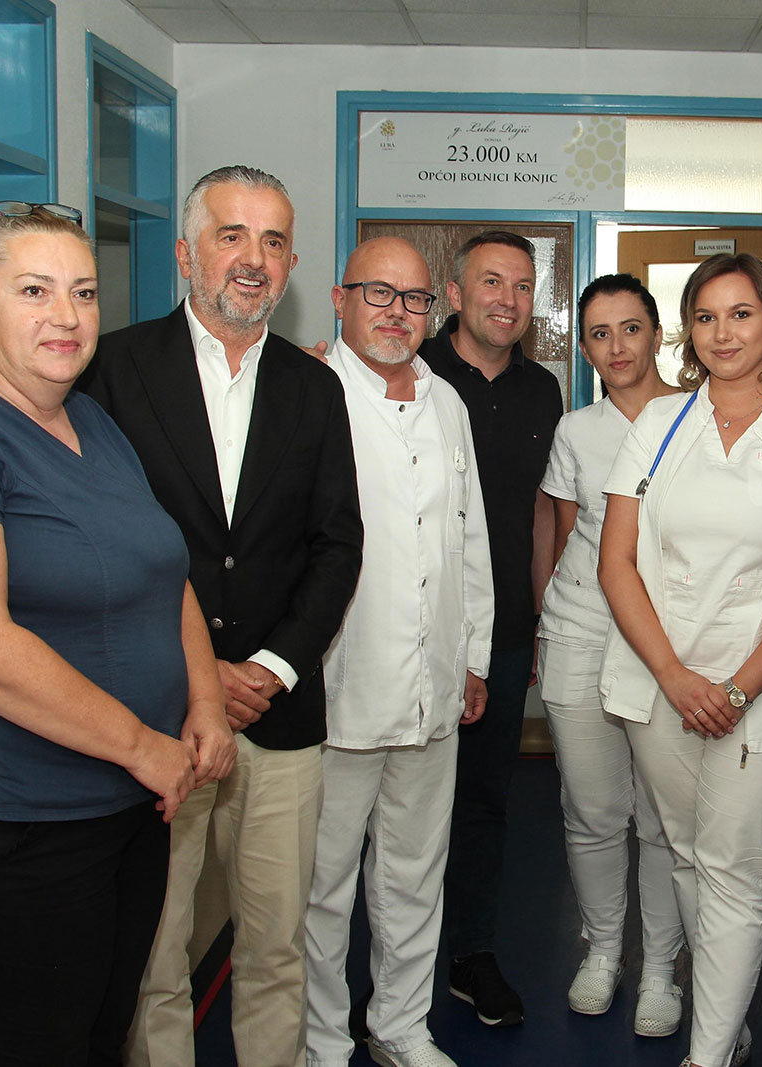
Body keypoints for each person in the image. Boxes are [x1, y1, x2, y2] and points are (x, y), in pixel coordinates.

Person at [0, 201, 235, 1064]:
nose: (65, 315)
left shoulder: (91, 423)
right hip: (19, 828)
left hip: (128, 812)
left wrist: (206, 702)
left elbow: (164, 571)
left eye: (83, 291)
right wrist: (143, 746)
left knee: (103, 1040)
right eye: (33, 290)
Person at [81, 165, 363, 1067]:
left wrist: (272, 667)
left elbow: (337, 546)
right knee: (155, 950)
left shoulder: (315, 387)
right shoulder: (110, 371)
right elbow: (102, 547)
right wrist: (202, 671)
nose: (253, 257)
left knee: (275, 945)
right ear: (184, 253)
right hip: (156, 710)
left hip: (280, 714)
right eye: (231, 235)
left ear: (291, 266)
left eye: (273, 240)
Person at [599, 253, 762, 1067]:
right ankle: (724, 1033)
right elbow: (616, 562)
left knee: (733, 866)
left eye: (741, 313)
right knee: (689, 854)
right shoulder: (658, 424)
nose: (723, 333)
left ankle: (705, 1055)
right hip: (661, 682)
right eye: (705, 316)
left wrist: (735, 689)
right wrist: (675, 677)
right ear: (688, 331)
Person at [303, 236, 494, 1067]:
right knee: (322, 883)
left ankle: (400, 1024)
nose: (397, 312)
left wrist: (474, 654)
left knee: (415, 871)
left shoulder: (447, 402)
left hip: (434, 683)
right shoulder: (308, 392)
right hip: (337, 688)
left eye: (415, 298)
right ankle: (319, 1039)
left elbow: (469, 536)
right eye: (378, 292)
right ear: (339, 298)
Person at [418, 230, 563, 1028]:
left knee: (483, 802)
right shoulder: (412, 372)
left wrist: (537, 620)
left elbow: (540, 511)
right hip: (418, 632)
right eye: (491, 282)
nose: (508, 300)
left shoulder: (543, 391)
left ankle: (471, 954)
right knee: (402, 809)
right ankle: (394, 969)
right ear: (455, 292)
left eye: (522, 286)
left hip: (504, 633)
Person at [538, 274, 685, 1032]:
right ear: (585, 347)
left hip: (666, 644)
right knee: (592, 810)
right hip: (581, 632)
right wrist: (544, 618)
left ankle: (660, 969)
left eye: (631, 328)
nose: (617, 346)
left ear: (657, 333)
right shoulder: (576, 430)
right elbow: (566, 534)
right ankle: (602, 951)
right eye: (599, 333)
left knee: (661, 817)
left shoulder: (697, 417)